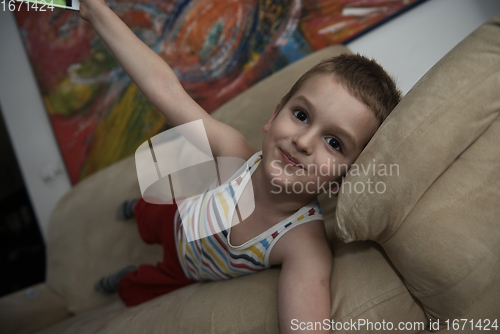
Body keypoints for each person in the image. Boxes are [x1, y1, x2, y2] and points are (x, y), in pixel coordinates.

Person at [79, 0, 401, 332]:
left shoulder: (302, 245)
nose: (304, 142)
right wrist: (97, 12)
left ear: (341, 181)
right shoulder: (233, 152)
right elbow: (166, 90)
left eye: (334, 143)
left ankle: (119, 280)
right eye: (301, 115)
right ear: (274, 116)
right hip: (178, 214)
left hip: (186, 271)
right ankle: (136, 208)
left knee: (135, 288)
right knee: (149, 211)